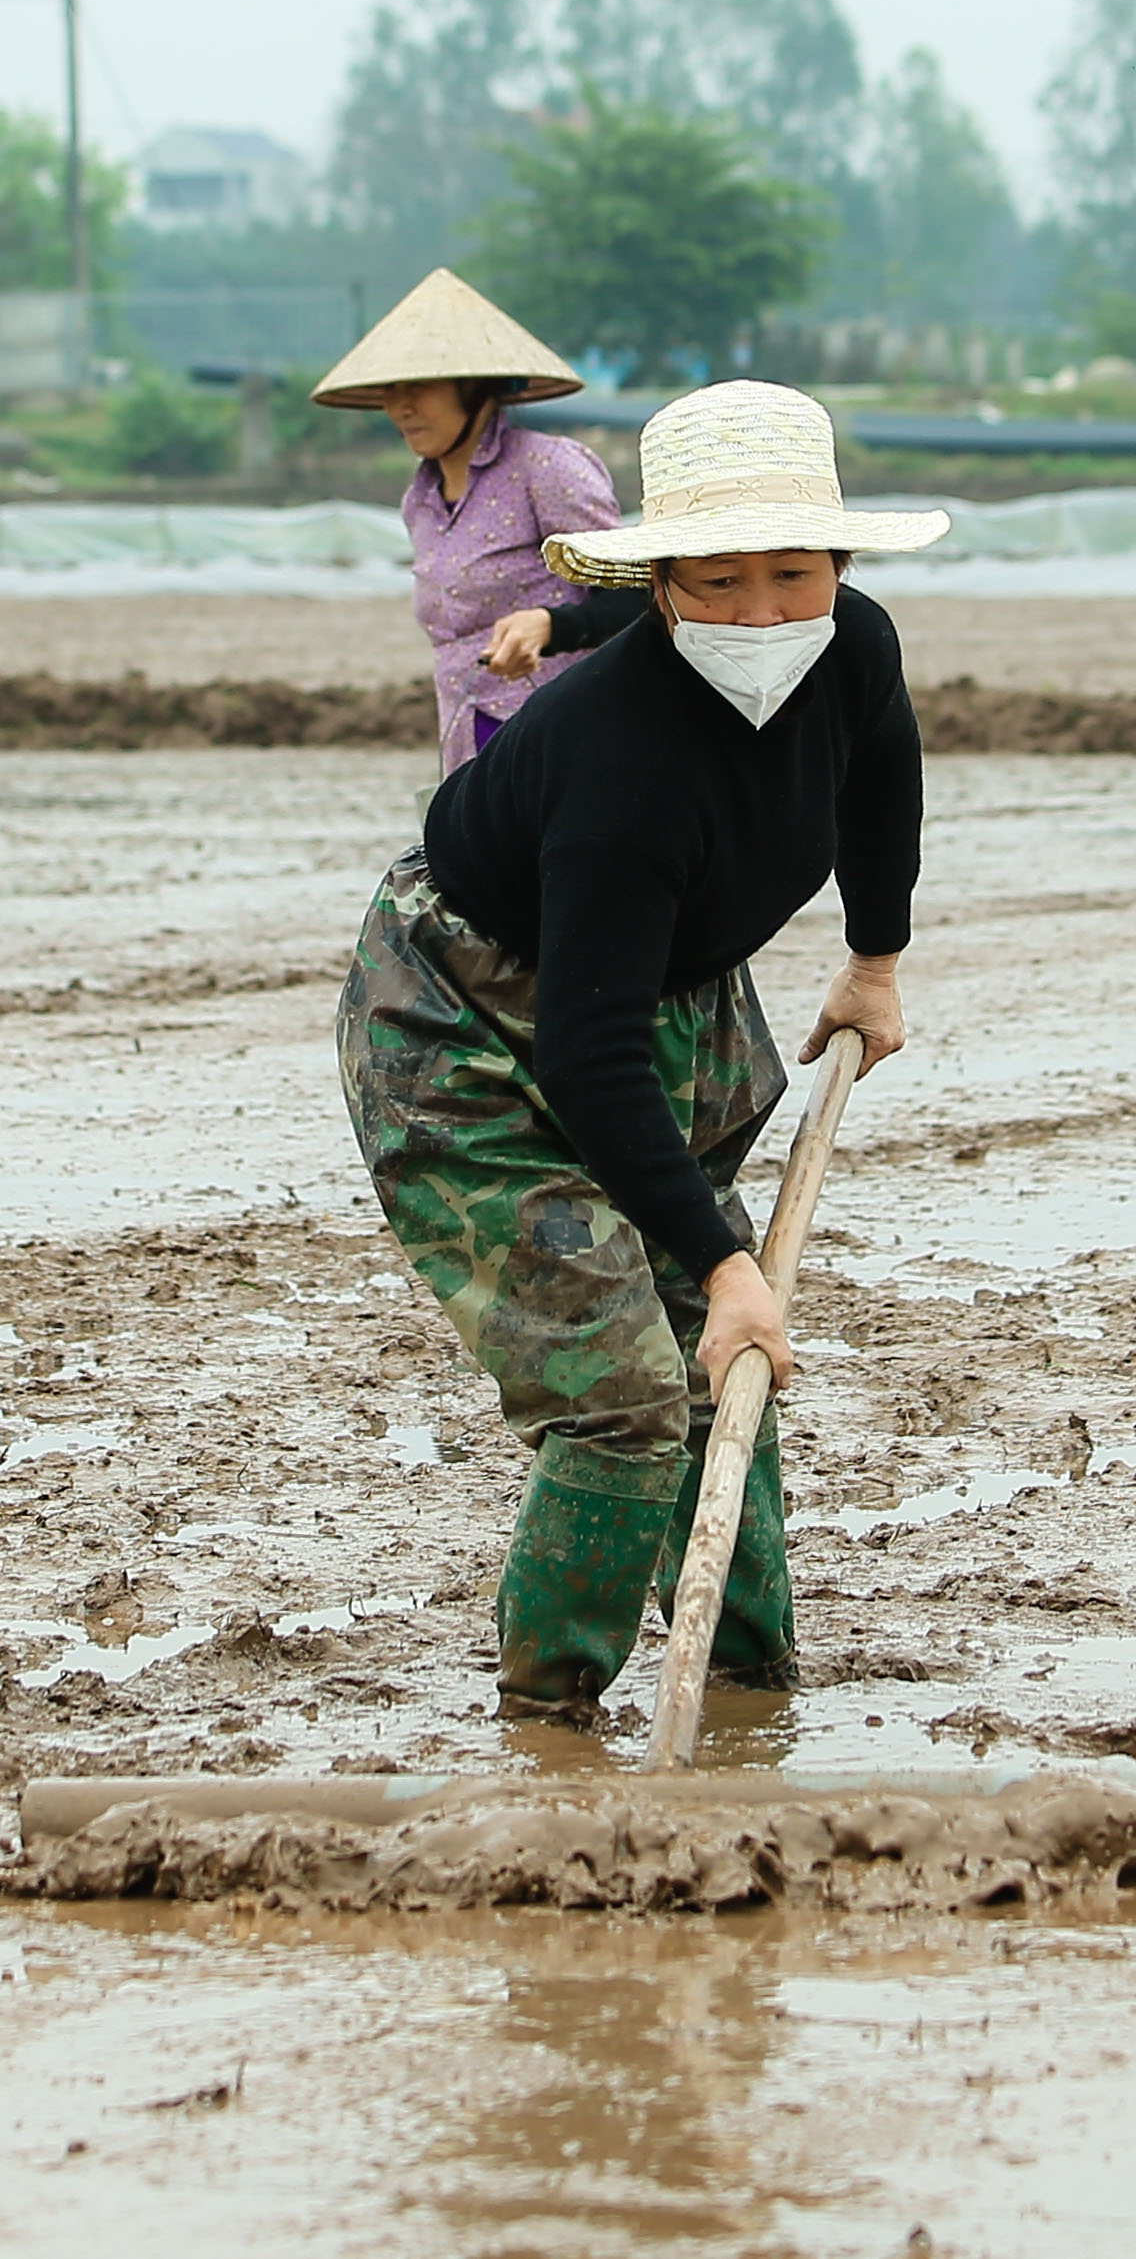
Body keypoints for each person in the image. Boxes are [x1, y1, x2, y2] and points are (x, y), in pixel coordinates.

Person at [335, 379, 945, 1725]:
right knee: (618, 1384)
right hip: (474, 1023)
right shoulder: (624, 758)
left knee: (719, 1354)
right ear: (659, 585)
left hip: (659, 992)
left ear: (837, 564)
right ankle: (545, 1719)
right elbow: (588, 1053)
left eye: (792, 572)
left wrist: (873, 961)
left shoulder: (854, 651)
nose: (758, 611)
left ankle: (742, 1684)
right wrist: (727, 1262)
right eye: (714, 580)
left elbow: (883, 771)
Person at [311, 271, 634, 769]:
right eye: (389, 390)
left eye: (417, 385)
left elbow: (635, 593)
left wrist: (553, 626)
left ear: (476, 386)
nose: (400, 407)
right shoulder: (419, 499)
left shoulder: (546, 468)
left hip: (557, 734)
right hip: (465, 734)